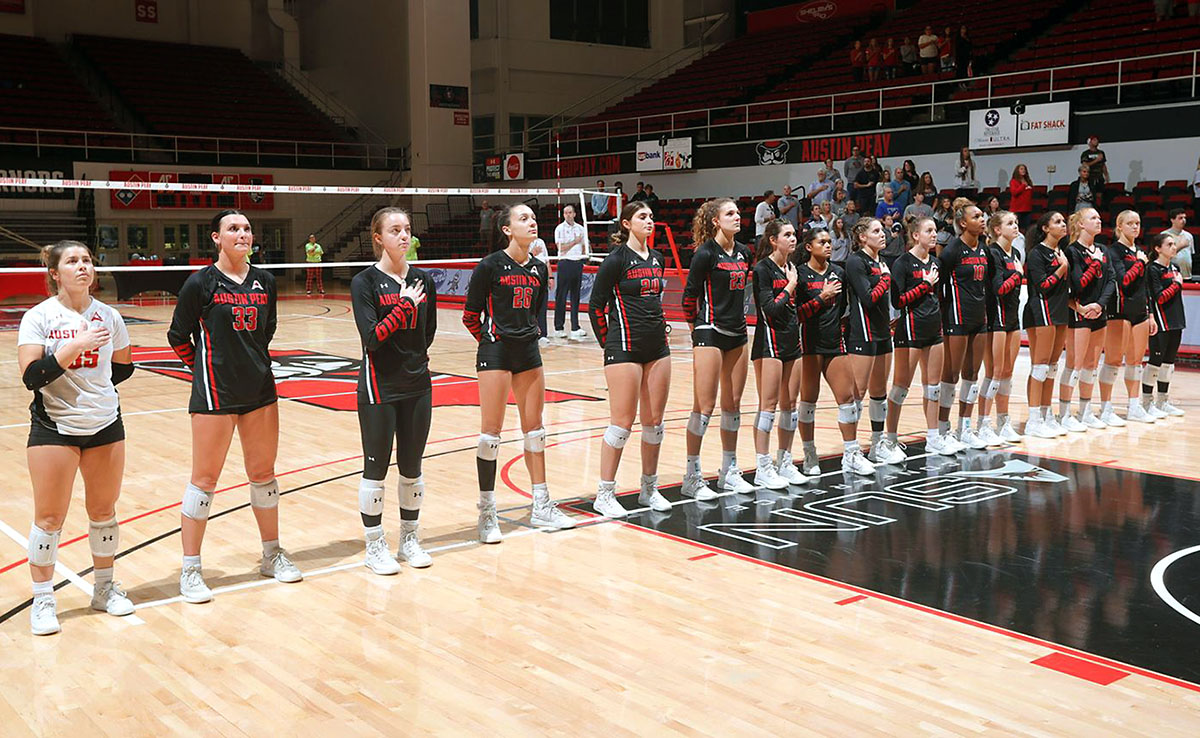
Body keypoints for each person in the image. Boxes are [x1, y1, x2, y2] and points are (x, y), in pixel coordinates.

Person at [167, 210, 300, 604]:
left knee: (263, 474)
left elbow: (268, 328)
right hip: (214, 394)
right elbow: (177, 336)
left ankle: (271, 554)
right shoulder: (200, 283)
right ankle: (190, 568)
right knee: (204, 481)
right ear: (216, 238)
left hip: (260, 389)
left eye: (246, 229)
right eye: (233, 229)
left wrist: (250, 361)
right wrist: (206, 369)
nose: (242, 234)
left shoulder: (266, 281)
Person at [18, 240, 135, 635]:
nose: (83, 267)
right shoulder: (39, 316)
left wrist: (93, 390)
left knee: (103, 512)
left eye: (87, 260)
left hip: (104, 424)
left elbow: (122, 369)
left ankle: (104, 589)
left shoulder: (110, 315)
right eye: (72, 262)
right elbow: (32, 376)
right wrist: (75, 348)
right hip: (54, 426)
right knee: (49, 518)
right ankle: (44, 599)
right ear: (55, 273)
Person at [463, 204, 575, 542]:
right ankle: (487, 511)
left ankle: (541, 504)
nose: (532, 222)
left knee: (535, 430)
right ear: (507, 229)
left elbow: (536, 311)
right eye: (523, 219)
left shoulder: (540, 269)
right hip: (496, 352)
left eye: (533, 218)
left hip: (529, 353)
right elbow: (471, 315)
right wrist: (491, 340)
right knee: (491, 435)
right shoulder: (490, 265)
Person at [351, 207, 437, 575]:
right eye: (395, 230)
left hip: (417, 382)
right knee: (376, 468)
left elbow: (427, 332)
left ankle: (409, 538)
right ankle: (374, 545)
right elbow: (372, 339)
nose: (404, 236)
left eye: (407, 230)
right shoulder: (365, 283)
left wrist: (411, 353)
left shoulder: (423, 281)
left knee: (412, 467)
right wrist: (403, 306)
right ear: (378, 238)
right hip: (379, 385)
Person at [587, 202, 673, 517]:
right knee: (622, 424)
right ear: (626, 224)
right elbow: (596, 306)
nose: (649, 221)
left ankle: (649, 489)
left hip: (657, 348)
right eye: (642, 217)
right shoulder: (615, 261)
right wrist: (608, 344)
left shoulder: (657, 259)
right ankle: (604, 494)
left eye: (651, 217)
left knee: (654, 425)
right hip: (623, 347)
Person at [681, 198, 756, 497]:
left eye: (738, 212)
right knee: (705, 406)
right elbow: (689, 297)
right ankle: (692, 475)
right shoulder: (705, 253)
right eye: (730, 213)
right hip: (709, 331)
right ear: (715, 221)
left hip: (738, 333)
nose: (737, 217)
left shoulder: (744, 252)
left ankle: (729, 470)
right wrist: (697, 331)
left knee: (733, 405)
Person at [793, 228, 860, 475]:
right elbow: (797, 314)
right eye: (822, 242)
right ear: (809, 247)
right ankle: (809, 453)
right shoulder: (799, 274)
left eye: (830, 242)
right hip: (810, 345)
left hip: (835, 343)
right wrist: (822, 297)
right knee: (808, 402)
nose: (828, 245)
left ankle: (851, 453)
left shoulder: (838, 272)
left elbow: (843, 308)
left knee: (847, 400)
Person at [888, 218, 954, 455]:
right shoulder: (902, 263)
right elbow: (898, 301)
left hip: (934, 330)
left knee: (933, 388)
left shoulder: (936, 262)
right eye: (929, 231)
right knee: (900, 389)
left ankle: (934, 436)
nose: (934, 235)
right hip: (910, 331)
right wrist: (924, 285)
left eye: (935, 230)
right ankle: (891, 439)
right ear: (915, 235)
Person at [751, 219, 806, 488]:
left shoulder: (792, 267)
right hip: (769, 342)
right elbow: (770, 309)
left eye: (794, 234)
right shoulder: (762, 269)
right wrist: (790, 286)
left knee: (791, 406)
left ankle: (784, 461)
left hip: (792, 341)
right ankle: (763, 465)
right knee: (768, 406)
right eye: (787, 235)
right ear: (773, 240)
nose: (793, 238)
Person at [937, 199, 991, 449]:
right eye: (977, 216)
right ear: (962, 223)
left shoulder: (984, 250)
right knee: (951, 374)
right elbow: (940, 286)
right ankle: (942, 428)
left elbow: (988, 285)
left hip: (979, 320)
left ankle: (965, 427)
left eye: (983, 216)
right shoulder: (951, 251)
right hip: (956, 318)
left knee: (972, 374)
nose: (982, 220)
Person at [844, 217, 896, 469]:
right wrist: (885, 280)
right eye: (876, 231)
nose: (882, 233)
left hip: (883, 332)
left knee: (879, 393)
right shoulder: (856, 261)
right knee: (858, 394)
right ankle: (851, 452)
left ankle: (877, 445)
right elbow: (867, 298)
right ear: (862, 237)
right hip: (862, 333)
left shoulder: (881, 262)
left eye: (882, 230)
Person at [1057, 208, 1114, 431]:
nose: (1098, 221)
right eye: (1093, 218)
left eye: (1100, 218)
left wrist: (1100, 304)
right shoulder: (1072, 251)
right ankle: (1064, 413)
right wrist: (1083, 307)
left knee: (1091, 365)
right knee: (1075, 364)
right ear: (1081, 224)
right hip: (1078, 312)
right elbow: (1077, 284)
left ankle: (1085, 410)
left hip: (1099, 312)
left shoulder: (1102, 249)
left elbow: (1111, 280)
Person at [1099, 210, 1156, 424]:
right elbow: (1123, 281)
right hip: (1119, 311)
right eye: (1130, 223)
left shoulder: (1139, 252)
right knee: (1113, 361)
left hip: (1140, 311)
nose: (1135, 227)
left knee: (1135, 362)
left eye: (1138, 223)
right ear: (1119, 226)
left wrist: (1150, 314)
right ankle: (1105, 408)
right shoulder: (1113, 251)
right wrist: (1141, 263)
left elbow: (1145, 286)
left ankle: (1134, 406)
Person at [1022, 211, 1071, 438]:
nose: (1063, 225)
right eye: (1058, 222)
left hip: (1060, 311)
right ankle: (1033, 420)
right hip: (1040, 311)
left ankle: (1046, 413)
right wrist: (1062, 269)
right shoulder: (1036, 253)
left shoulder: (1061, 252)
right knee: (1040, 366)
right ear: (1045, 228)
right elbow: (1042, 286)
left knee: (1052, 367)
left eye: (1064, 221)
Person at [977, 211, 1025, 444]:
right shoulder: (991, 252)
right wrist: (1017, 275)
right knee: (994, 373)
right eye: (1010, 223)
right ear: (997, 230)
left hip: (1013, 319)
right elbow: (998, 289)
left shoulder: (1015, 252)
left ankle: (1003, 422)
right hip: (995, 320)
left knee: (1007, 373)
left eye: (1016, 222)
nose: (1015, 226)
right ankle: (983, 424)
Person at [1145, 232, 1187, 417]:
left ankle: (1163, 401)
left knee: (1169, 363)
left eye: (1174, 244)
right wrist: (1176, 285)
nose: (1173, 247)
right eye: (1169, 244)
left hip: (1176, 319)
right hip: (1161, 321)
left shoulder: (1175, 267)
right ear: (1157, 248)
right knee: (1155, 362)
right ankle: (1147, 402)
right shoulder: (1152, 269)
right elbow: (1159, 297)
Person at [553, 203, 589, 340]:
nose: (567, 214)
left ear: (574, 214)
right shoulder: (559, 229)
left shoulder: (581, 228)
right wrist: (575, 241)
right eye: (565, 213)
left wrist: (585, 255)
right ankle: (558, 327)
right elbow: (561, 248)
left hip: (577, 263)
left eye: (569, 212)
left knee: (576, 296)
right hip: (565, 263)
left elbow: (585, 245)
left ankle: (575, 327)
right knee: (561, 296)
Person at [528, 233, 550, 344]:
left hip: (542, 276)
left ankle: (543, 334)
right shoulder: (522, 243)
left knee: (542, 307)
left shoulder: (541, 242)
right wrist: (532, 253)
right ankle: (531, 333)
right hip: (529, 277)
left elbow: (547, 261)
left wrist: (550, 277)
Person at [1162, 208, 1194, 278]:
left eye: (1184, 218)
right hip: (1171, 276)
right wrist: (1181, 245)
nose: (1184, 220)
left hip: (1187, 275)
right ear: (1172, 220)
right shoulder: (1164, 235)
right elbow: (1163, 256)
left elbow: (1191, 256)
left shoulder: (1189, 236)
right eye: (1180, 218)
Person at [1080, 135, 1109, 202]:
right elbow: (1085, 165)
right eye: (1094, 140)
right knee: (1090, 194)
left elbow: (1103, 165)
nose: (1096, 142)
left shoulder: (1101, 153)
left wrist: (1106, 175)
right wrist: (1096, 160)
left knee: (1100, 194)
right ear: (1090, 142)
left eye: (1097, 140)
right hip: (1090, 177)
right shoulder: (1085, 153)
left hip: (1099, 176)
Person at [1009, 164, 1034, 230]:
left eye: (1024, 169)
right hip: (1017, 209)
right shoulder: (1013, 181)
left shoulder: (1028, 181)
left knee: (1027, 228)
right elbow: (1014, 192)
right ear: (1017, 171)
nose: (1023, 170)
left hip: (1027, 208)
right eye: (1021, 169)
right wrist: (1023, 186)